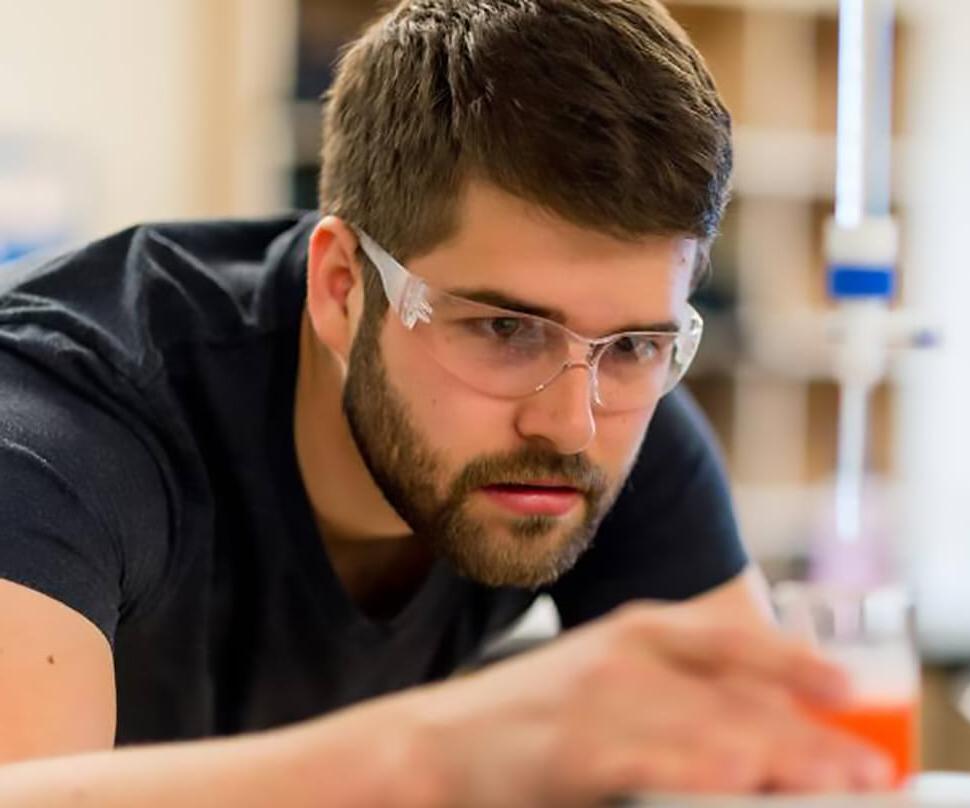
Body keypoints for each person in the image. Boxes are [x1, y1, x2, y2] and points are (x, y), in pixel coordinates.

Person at [0, 0, 887, 804]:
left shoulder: (609, 412)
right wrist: (447, 757)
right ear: (343, 288)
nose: (570, 422)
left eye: (639, 345)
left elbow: (766, 777)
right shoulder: (56, 428)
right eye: (506, 330)